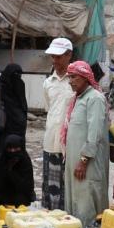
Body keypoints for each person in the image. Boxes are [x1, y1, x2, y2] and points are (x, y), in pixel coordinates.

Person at [61, 61, 110, 225]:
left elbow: (94, 134)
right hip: (75, 162)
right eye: (69, 77)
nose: (70, 81)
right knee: (75, 200)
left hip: (87, 163)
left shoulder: (95, 98)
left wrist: (83, 160)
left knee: (87, 201)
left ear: (84, 77)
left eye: (73, 77)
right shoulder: (78, 99)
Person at [42, 38, 76, 210]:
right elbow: (50, 109)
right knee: (52, 184)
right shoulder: (48, 83)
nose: (55, 60)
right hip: (51, 140)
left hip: (72, 141)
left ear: (69, 55)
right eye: (53, 57)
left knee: (71, 183)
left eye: (59, 56)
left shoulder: (77, 81)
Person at [0, 63, 28, 156]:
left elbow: (23, 106)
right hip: (2, 129)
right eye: (15, 74)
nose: (17, 77)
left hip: (18, 130)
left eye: (19, 74)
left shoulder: (20, 85)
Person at [0, 134, 35, 218]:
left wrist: (11, 172)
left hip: (19, 195)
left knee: (21, 200)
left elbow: (27, 187)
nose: (13, 151)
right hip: (1, 195)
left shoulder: (25, 161)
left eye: (16, 149)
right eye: (10, 149)